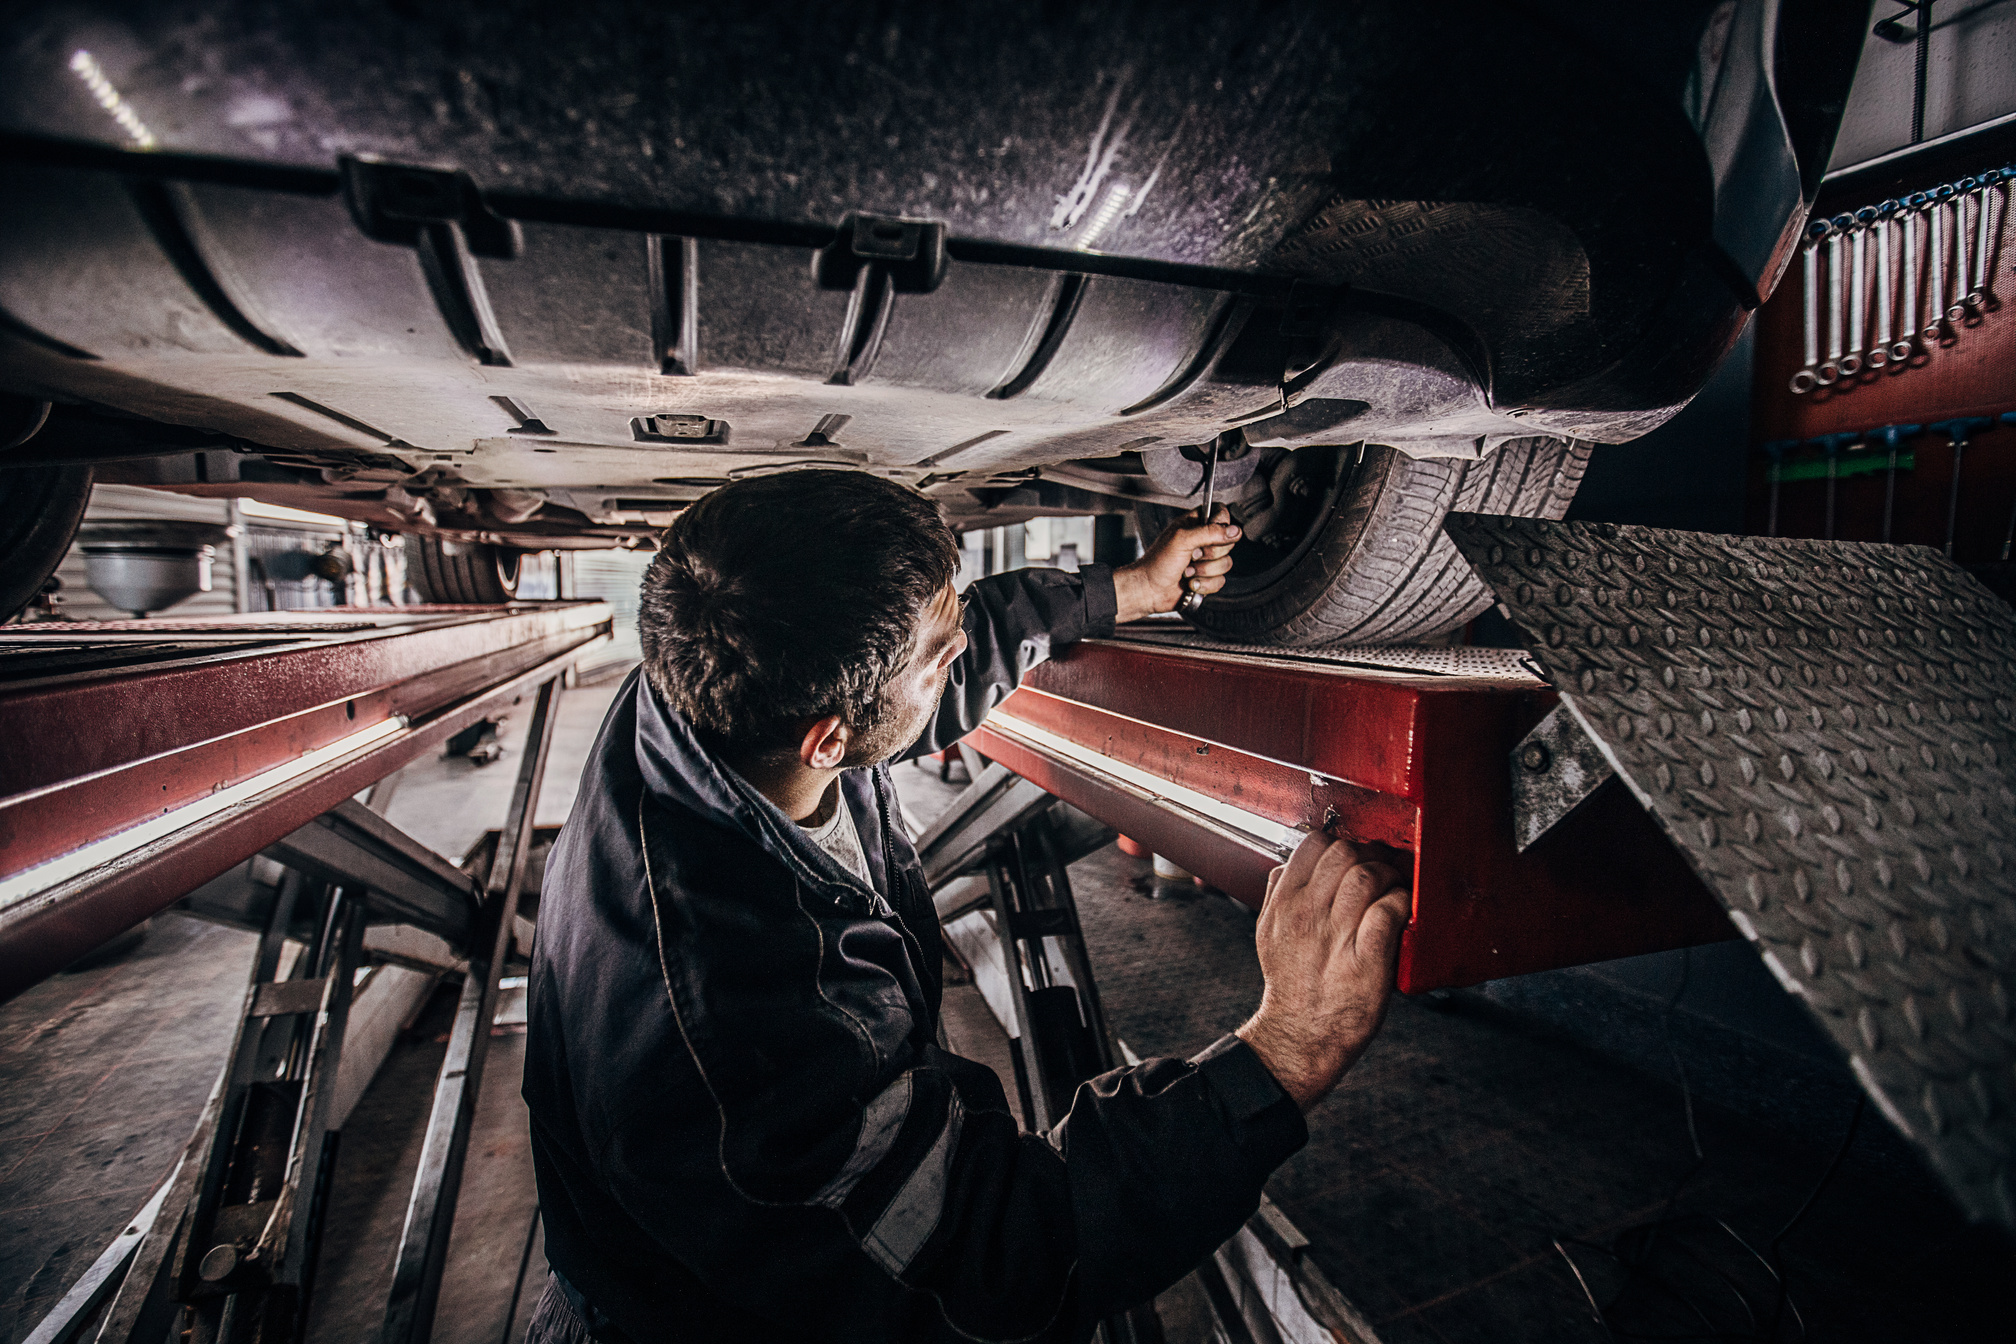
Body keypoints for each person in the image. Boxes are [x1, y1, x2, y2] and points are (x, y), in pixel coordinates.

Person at [522, 470, 1410, 1344]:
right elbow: (990, 1262)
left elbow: (935, 649)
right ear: (829, 740)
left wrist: (1126, 589)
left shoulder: (711, 687)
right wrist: (1289, 1048)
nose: (960, 652)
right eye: (937, 656)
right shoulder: (737, 1022)